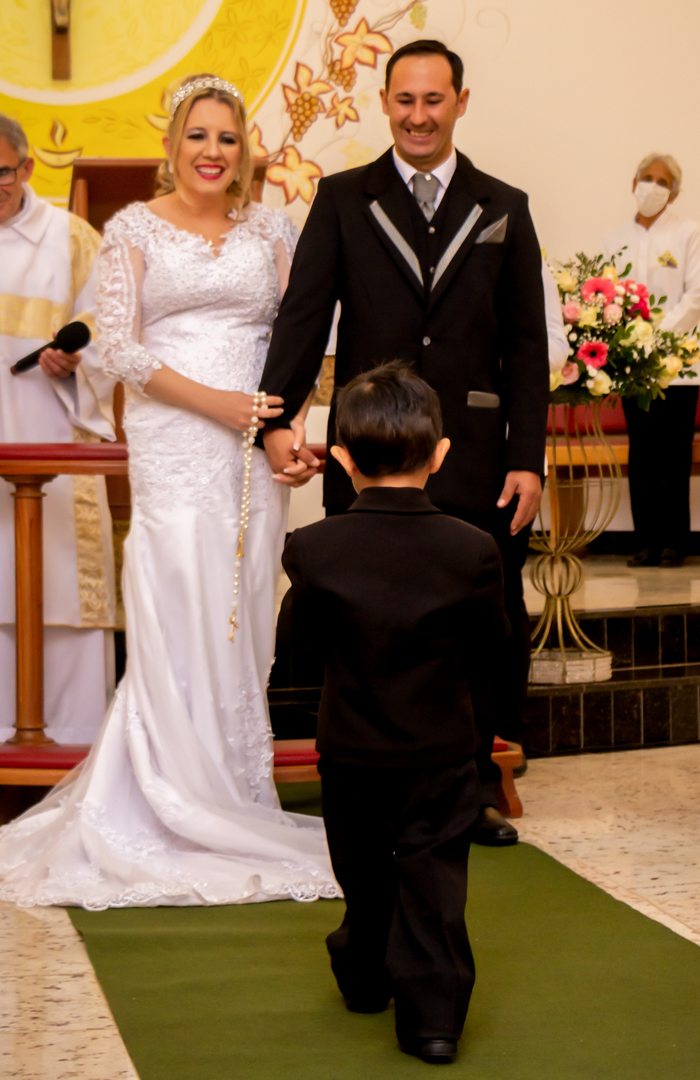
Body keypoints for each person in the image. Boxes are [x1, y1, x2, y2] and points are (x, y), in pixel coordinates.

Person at [0, 75, 338, 909]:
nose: (212, 152)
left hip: (253, 448)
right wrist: (219, 406)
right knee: (179, 597)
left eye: (227, 137)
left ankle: (236, 795)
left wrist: (286, 428)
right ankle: (168, 798)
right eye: (196, 136)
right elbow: (119, 348)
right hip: (178, 440)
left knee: (243, 607)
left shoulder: (273, 230)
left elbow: (302, 333)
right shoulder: (132, 229)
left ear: (244, 150)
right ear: (172, 147)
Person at [260, 40, 549, 846]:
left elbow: (527, 345)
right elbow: (306, 315)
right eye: (405, 100)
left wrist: (529, 457)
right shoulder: (345, 199)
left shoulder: (505, 206)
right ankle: (362, 779)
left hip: (477, 453)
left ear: (461, 100)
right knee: (368, 622)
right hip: (371, 449)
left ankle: (472, 788)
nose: (418, 116)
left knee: (481, 623)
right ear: (385, 102)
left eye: (434, 100)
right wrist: (279, 419)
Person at [282, 363, 507, 1064]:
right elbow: (492, 654)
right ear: (441, 454)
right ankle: (433, 1021)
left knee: (365, 872)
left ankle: (364, 971)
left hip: (349, 749)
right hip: (441, 749)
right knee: (434, 879)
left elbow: (296, 656)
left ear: (342, 458)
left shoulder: (313, 548)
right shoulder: (472, 549)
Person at [0, 110, 117, 743]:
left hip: (57, 451)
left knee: (62, 594)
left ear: (27, 167)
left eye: (0, 174)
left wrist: (74, 363)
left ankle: (72, 763)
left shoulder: (73, 240)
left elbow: (114, 338)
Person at [604, 153, 700, 567]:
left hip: (678, 364)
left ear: (674, 193)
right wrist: (631, 343)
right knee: (642, 451)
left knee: (675, 452)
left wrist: (655, 339)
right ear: (633, 182)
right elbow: (606, 296)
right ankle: (644, 541)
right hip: (632, 367)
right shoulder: (615, 238)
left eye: (662, 182)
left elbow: (695, 297)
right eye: (647, 178)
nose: (652, 187)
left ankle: (675, 541)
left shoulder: (689, 233)